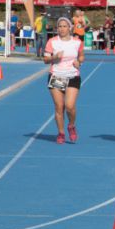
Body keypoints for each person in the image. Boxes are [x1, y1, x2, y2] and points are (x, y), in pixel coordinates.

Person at [42, 16, 84, 144]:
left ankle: (71, 125)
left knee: (70, 106)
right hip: (56, 76)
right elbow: (45, 60)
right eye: (60, 26)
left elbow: (81, 56)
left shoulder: (77, 42)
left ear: (70, 28)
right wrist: (55, 57)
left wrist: (79, 62)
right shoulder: (52, 41)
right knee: (59, 106)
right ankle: (61, 133)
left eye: (65, 26)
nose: (62, 29)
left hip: (72, 75)